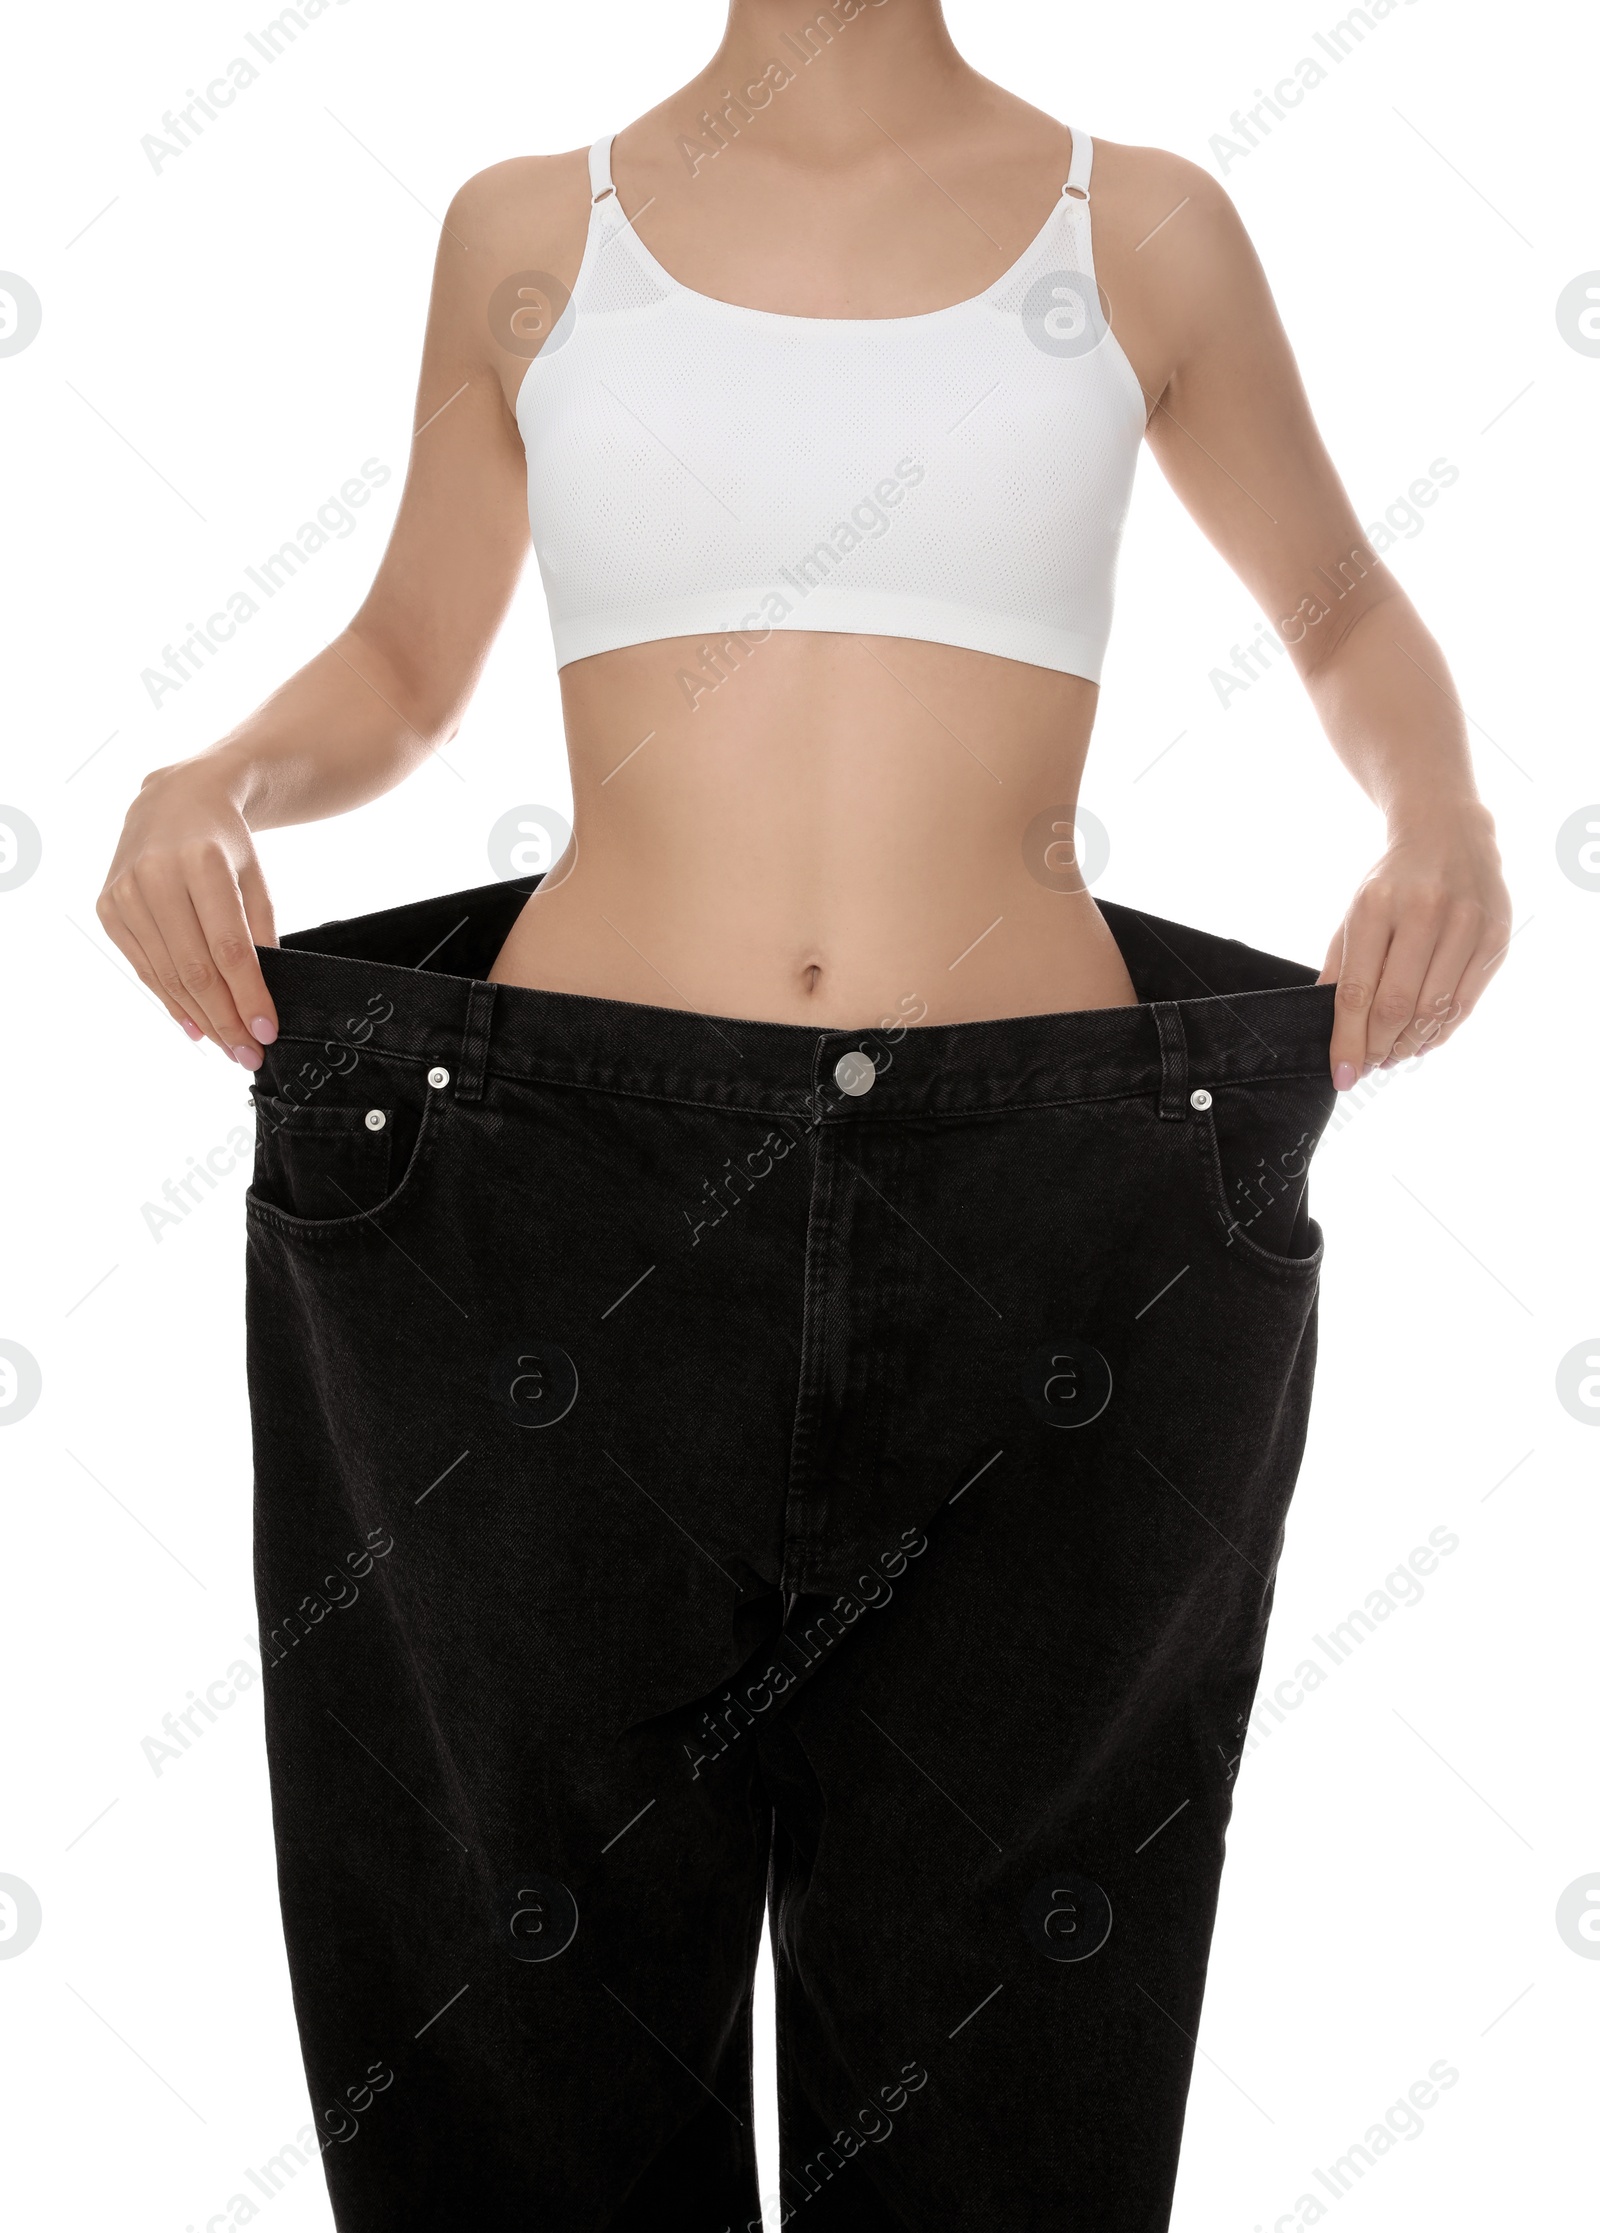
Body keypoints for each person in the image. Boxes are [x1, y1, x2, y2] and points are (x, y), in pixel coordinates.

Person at [98, 4, 1509, 2226]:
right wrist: (208, 781)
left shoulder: (1139, 225)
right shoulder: (521, 230)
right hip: (553, 1191)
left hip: (1051, 1203)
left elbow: (1338, 612)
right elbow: (400, 660)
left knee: (1010, 2044)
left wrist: (1436, 814)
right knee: (511, 2023)